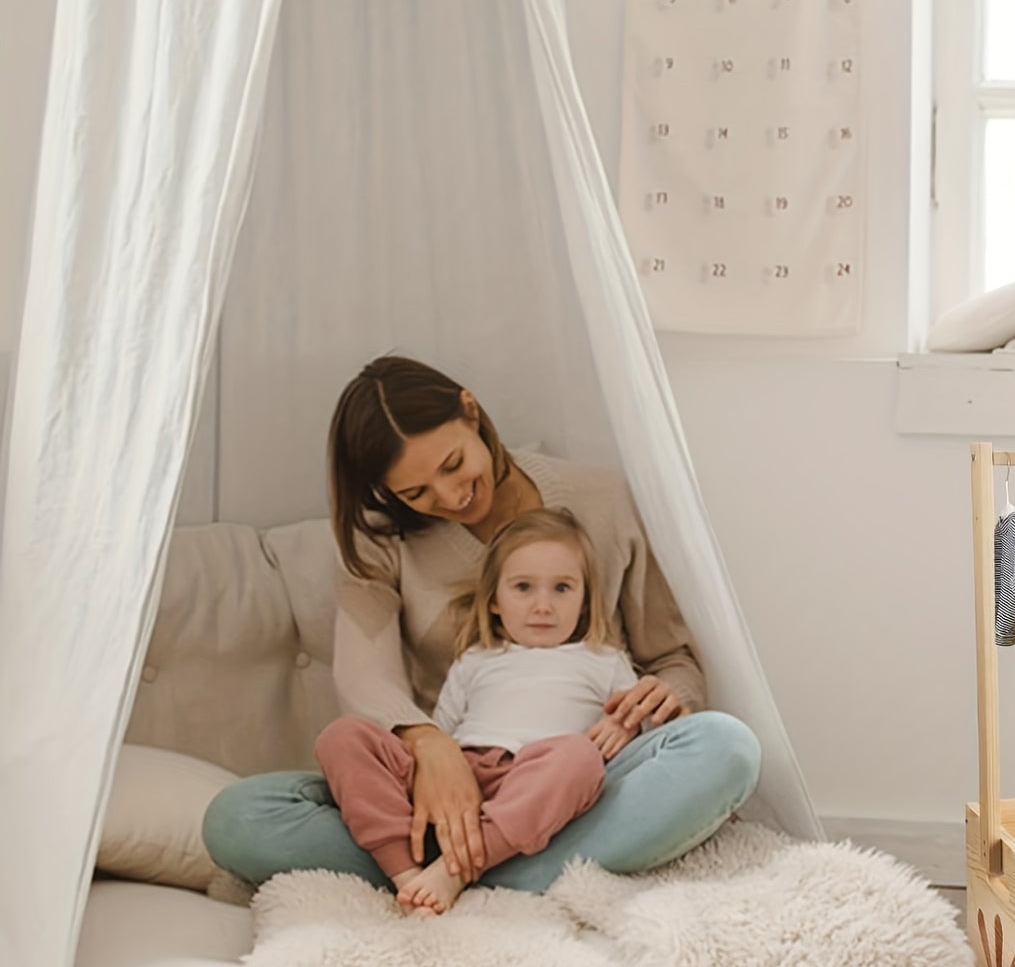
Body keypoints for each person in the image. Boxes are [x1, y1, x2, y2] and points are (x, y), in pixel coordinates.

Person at [202, 355, 762, 894]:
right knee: (239, 818)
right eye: (416, 493)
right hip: (439, 780)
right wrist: (431, 750)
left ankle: (471, 867)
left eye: (452, 465)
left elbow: (672, 658)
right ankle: (499, 860)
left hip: (573, 777)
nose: (451, 497)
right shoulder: (380, 539)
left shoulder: (602, 500)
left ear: (471, 412)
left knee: (727, 747)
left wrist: (662, 697)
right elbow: (365, 676)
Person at [317, 508, 641, 914]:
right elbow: (441, 737)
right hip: (459, 778)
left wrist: (622, 723)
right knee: (344, 736)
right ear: (494, 602)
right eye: (523, 587)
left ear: (585, 601)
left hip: (529, 781)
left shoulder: (603, 659)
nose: (543, 606)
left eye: (562, 588)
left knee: (579, 758)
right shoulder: (477, 659)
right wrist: (425, 778)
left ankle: (453, 870)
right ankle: (404, 871)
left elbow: (638, 721)